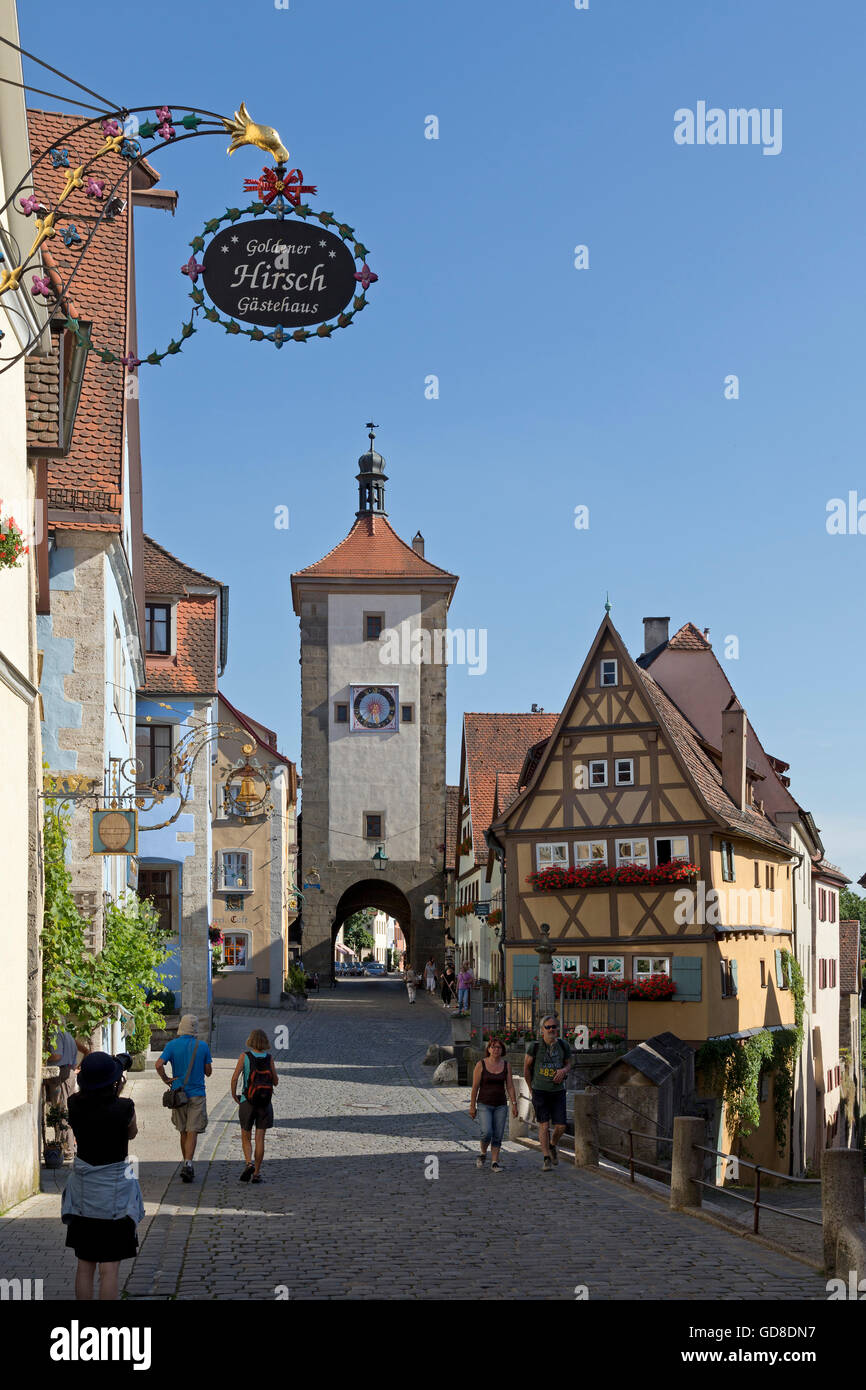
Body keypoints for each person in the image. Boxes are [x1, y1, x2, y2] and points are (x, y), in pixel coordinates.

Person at [61, 1051, 143, 1300]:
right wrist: (117, 1091)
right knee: (110, 1269)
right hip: (115, 1194)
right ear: (114, 1082)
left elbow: (91, 1100)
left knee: (85, 1265)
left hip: (85, 1192)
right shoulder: (124, 1107)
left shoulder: (73, 1104)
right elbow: (132, 1133)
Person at [155, 1014, 213, 1183]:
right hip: (197, 1094)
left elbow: (158, 1064)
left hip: (178, 1094)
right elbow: (208, 1072)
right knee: (192, 1130)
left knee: (182, 1130)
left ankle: (186, 1162)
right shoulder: (202, 1046)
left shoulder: (172, 1045)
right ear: (195, 1029)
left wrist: (166, 1079)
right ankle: (188, 1163)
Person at [230, 1028, 279, 1184]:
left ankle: (248, 1163)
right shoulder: (269, 1058)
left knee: (246, 1135)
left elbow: (235, 1078)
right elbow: (276, 1081)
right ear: (265, 1042)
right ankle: (257, 1173)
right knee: (260, 1138)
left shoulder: (245, 1056)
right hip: (265, 1103)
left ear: (250, 1040)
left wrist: (234, 1094)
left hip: (247, 1101)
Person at [524, 1016, 572, 1171]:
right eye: (548, 1027)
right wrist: (531, 1088)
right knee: (544, 1125)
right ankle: (546, 1157)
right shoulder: (535, 1047)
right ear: (542, 1030)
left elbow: (569, 1063)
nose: (551, 1029)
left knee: (561, 1126)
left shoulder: (563, 1045)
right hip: (540, 1090)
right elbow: (526, 1068)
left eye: (554, 1027)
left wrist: (563, 1071)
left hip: (558, 1091)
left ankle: (552, 1145)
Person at [469, 1037, 518, 1173]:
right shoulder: (481, 1064)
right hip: (484, 1104)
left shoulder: (506, 1065)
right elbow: (475, 1087)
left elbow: (510, 1086)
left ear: (502, 1050)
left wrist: (514, 1104)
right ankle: (483, 1152)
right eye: (493, 1047)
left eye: (498, 1047)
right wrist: (472, 1106)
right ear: (488, 1049)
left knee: (498, 1134)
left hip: (501, 1104)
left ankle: (495, 1162)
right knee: (487, 1132)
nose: (496, 1049)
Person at [46, 1025, 92, 1160]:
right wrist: (77, 1067)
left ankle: (67, 1150)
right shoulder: (68, 1035)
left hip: (61, 1074)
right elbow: (86, 1051)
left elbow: (56, 1055)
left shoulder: (56, 1034)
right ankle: (70, 1146)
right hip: (70, 1073)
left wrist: (43, 1055)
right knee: (69, 1111)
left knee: (62, 1112)